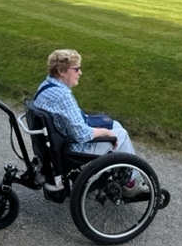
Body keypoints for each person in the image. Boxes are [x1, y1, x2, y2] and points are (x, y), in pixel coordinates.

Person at [31, 49, 149, 197]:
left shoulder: (46, 86)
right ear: (61, 71)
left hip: (59, 141)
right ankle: (131, 182)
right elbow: (82, 134)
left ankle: (122, 175)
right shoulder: (63, 96)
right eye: (76, 69)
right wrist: (105, 132)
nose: (80, 73)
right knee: (121, 134)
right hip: (75, 150)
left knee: (116, 124)